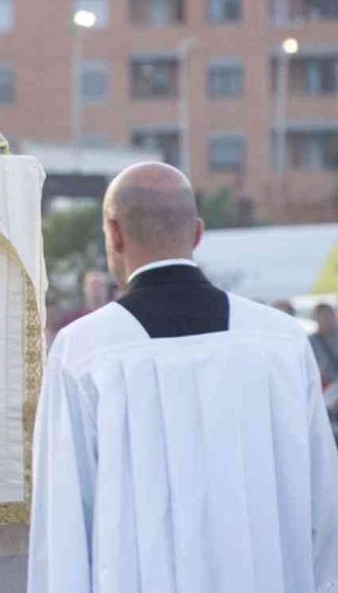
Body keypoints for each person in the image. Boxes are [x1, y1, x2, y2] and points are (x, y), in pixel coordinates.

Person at [29, 161, 338, 591]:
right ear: (196, 233)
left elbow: (61, 522)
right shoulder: (280, 342)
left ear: (114, 234)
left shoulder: (85, 350)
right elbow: (324, 507)